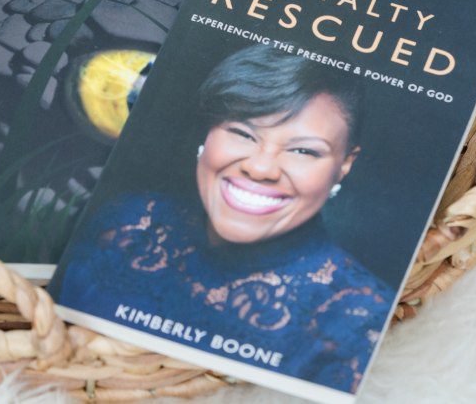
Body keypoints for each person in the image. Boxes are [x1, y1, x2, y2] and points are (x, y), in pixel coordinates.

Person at [56, 45, 392, 393]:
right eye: (242, 133)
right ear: (207, 134)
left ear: (345, 165)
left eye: (303, 150)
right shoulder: (130, 221)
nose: (260, 167)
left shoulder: (360, 320)